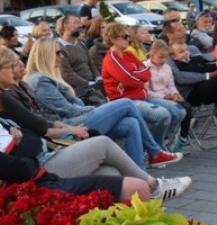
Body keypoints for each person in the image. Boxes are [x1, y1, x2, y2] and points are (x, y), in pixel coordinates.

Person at [0, 73, 190, 201]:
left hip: (44, 160)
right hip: (38, 179)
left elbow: (31, 136)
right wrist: (16, 144)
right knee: (105, 141)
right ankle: (154, 186)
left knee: (113, 171)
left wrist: (15, 147)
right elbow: (25, 167)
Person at [24, 38, 181, 168]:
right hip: (69, 128)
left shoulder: (46, 78)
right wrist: (96, 109)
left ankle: (141, 174)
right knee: (126, 103)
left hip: (77, 120)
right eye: (58, 53)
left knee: (131, 123)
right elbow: (68, 111)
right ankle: (155, 152)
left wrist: (96, 109)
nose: (62, 57)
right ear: (45, 55)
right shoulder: (40, 81)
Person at [102, 22, 184, 147]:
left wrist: (135, 75)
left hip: (142, 96)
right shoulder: (111, 59)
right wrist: (137, 76)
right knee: (163, 115)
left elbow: (147, 72)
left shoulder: (128, 54)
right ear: (114, 39)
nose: (128, 39)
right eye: (125, 36)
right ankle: (156, 149)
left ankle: (154, 143)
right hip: (126, 101)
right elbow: (129, 80)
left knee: (179, 111)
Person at [56, 14, 104, 103]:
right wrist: (88, 83)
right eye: (76, 23)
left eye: (80, 23)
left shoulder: (81, 45)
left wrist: (98, 77)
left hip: (92, 85)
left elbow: (91, 64)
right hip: (78, 91)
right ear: (65, 26)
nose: (80, 25)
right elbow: (67, 74)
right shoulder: (58, 48)